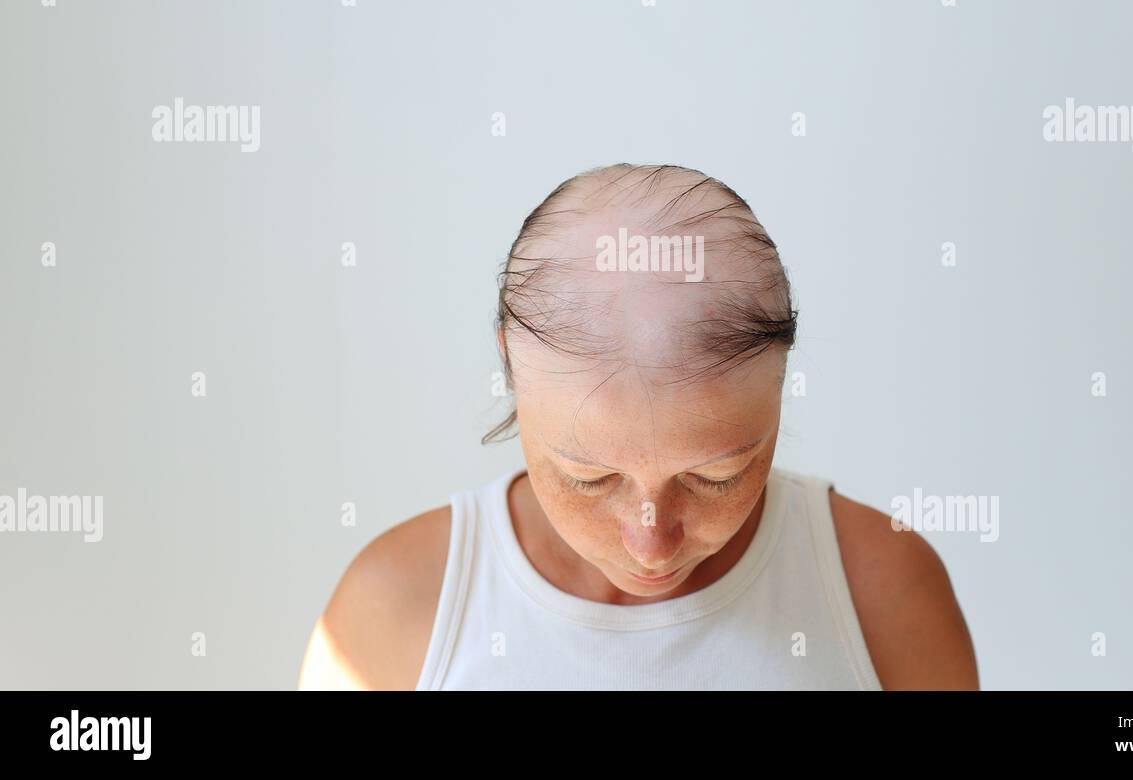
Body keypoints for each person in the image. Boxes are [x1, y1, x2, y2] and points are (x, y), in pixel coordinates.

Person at [298, 163, 978, 689]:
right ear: (508, 364)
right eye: (589, 479)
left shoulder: (881, 587)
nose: (652, 544)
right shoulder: (397, 606)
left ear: (780, 386)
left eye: (717, 477)